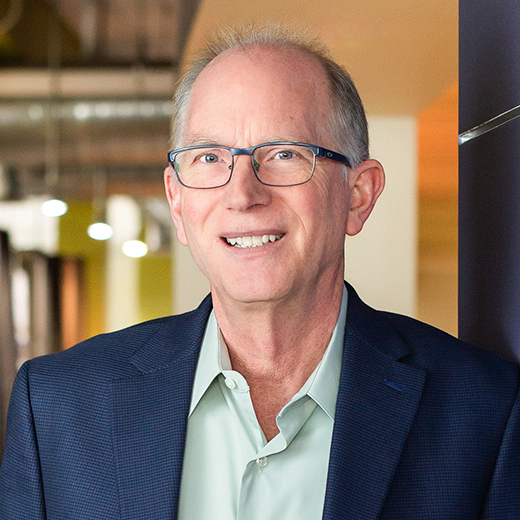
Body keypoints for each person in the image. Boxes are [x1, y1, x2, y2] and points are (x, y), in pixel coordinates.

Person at [1, 24, 519, 520]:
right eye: (208, 157)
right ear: (177, 204)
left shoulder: (485, 411)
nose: (243, 195)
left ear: (358, 196)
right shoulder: (57, 409)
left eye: (285, 154)